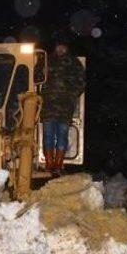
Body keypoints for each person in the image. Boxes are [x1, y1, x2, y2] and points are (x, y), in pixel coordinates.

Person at [41, 40, 85, 175]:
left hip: (65, 107)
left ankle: (58, 164)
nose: (60, 49)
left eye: (63, 46)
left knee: (62, 135)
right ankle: (49, 163)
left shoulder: (74, 62)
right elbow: (36, 78)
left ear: (66, 48)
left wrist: (71, 95)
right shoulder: (47, 61)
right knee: (48, 135)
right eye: (58, 46)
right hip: (48, 105)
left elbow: (82, 81)